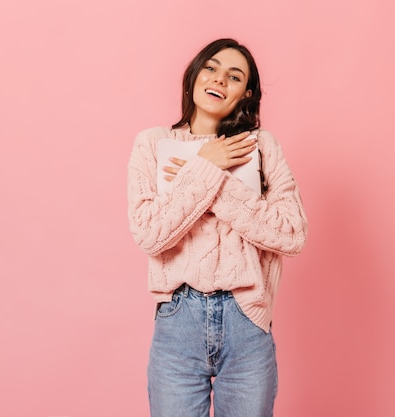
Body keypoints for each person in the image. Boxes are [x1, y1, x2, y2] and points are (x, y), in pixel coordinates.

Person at [127, 38, 308, 417]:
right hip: (178, 321)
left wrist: (211, 176)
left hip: (247, 319)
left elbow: (292, 234)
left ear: (247, 94)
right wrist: (207, 162)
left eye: (234, 75)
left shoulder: (261, 148)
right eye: (211, 67)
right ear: (194, 75)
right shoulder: (153, 143)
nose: (219, 80)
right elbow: (149, 234)